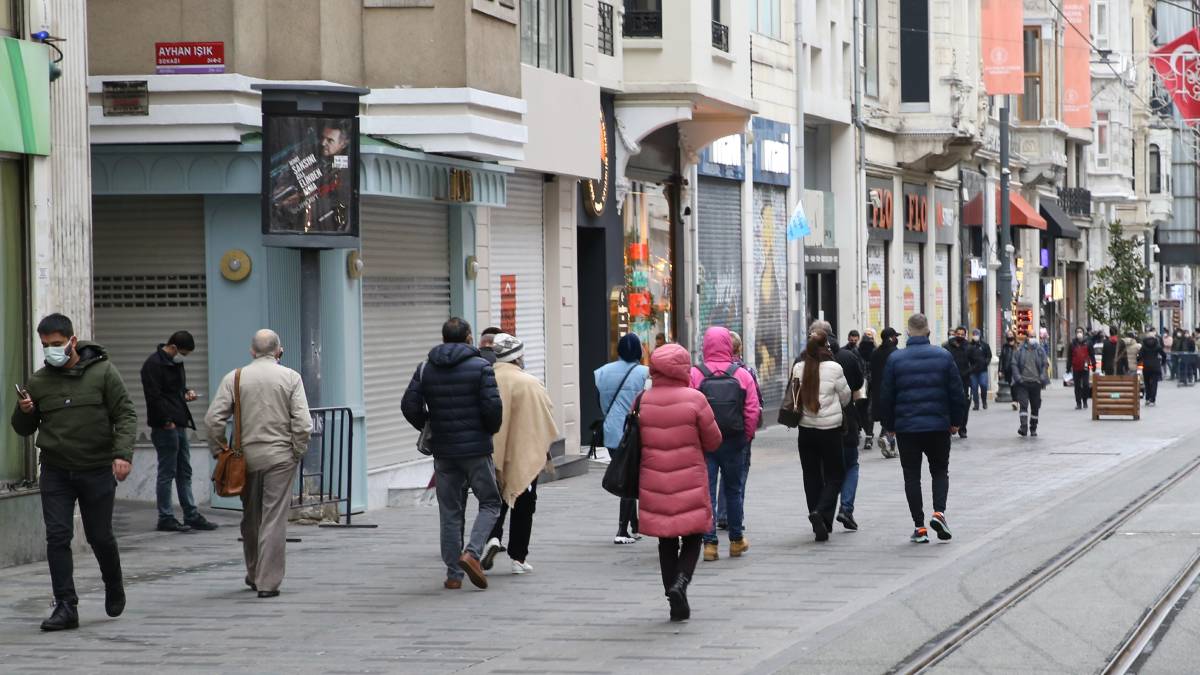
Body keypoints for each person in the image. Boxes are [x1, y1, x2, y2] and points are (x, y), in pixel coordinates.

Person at [11, 313, 137, 631]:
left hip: (96, 468)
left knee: (99, 536)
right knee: (57, 537)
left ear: (72, 341)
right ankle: (66, 605)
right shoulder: (39, 381)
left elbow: (125, 414)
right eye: (44, 345)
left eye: (56, 343)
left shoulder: (103, 372)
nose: (50, 350)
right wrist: (24, 411)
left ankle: (114, 584)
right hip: (56, 470)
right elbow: (23, 428)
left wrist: (122, 454)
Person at [205, 330, 310, 598]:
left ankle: (253, 572)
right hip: (280, 457)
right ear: (279, 351)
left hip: (245, 458)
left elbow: (213, 419)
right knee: (273, 518)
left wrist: (220, 450)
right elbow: (302, 423)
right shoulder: (291, 377)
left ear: (252, 351)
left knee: (251, 517)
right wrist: (297, 450)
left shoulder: (235, 377)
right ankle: (267, 582)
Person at [402, 318, 504, 590]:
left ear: (444, 338)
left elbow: (409, 405)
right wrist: (488, 431)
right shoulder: (481, 367)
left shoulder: (426, 368)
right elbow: (493, 408)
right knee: (490, 502)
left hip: (444, 450)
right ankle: (472, 553)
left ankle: (453, 576)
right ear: (469, 337)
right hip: (476, 449)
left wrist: (428, 425)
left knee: (450, 511)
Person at [637, 343, 723, 622]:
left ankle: (673, 598)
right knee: (694, 535)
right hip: (690, 479)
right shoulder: (695, 399)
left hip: (654, 479)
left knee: (666, 539)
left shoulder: (642, 400)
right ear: (684, 368)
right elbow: (714, 440)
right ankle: (681, 582)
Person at [878, 313, 965, 544]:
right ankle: (939, 513)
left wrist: (889, 426)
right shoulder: (944, 356)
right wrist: (956, 422)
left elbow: (886, 396)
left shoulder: (896, 359)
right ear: (928, 331)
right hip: (938, 426)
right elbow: (957, 393)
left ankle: (920, 527)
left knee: (911, 476)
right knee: (939, 471)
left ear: (908, 333)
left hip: (907, 428)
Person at [479, 334, 558, 575]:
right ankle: (518, 557)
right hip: (524, 450)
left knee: (494, 500)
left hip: (490, 450)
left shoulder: (486, 378)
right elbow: (544, 415)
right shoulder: (530, 383)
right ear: (518, 357)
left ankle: (492, 537)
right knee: (524, 505)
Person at [690, 326, 759, 561]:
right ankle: (736, 540)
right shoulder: (741, 374)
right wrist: (745, 437)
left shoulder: (696, 374)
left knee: (707, 492)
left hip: (705, 443)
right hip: (734, 441)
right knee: (734, 491)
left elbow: (689, 409)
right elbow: (752, 410)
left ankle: (710, 544)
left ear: (706, 345)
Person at [140, 330, 217, 533]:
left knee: (184, 470)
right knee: (167, 472)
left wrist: (186, 392)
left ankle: (191, 514)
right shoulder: (153, 364)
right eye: (182, 352)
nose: (182, 357)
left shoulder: (172, 363)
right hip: (165, 426)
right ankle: (166, 517)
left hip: (178, 423)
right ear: (173, 347)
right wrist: (166, 421)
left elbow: (174, 391)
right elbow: (154, 396)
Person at [792, 329, 851, 542]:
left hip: (806, 430)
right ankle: (821, 511)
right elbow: (845, 396)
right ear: (827, 345)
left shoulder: (799, 367)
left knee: (811, 475)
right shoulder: (834, 368)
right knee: (836, 475)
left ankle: (818, 518)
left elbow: (794, 396)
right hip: (830, 431)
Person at [593, 333, 650, 543]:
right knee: (629, 478)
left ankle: (635, 525)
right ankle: (622, 531)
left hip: (611, 430)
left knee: (627, 474)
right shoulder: (645, 373)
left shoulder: (602, 372)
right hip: (634, 432)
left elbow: (599, 402)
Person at [716, 331, 762, 531]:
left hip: (714, 429)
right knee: (738, 473)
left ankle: (721, 514)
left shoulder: (707, 370)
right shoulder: (746, 371)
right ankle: (734, 515)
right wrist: (748, 434)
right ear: (739, 348)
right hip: (738, 431)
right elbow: (756, 404)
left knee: (718, 472)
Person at [1010, 329, 1050, 437]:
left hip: (1035, 383)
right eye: (1031, 336)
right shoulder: (1020, 350)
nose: (1033, 338)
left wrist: (1041, 378)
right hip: (1023, 383)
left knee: (1035, 406)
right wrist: (1018, 378)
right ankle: (1023, 427)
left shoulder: (1040, 350)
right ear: (1026, 337)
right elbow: (1014, 364)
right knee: (1023, 405)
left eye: (1034, 336)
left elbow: (1045, 364)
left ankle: (1033, 427)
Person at [868, 327, 900, 458]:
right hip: (892, 390)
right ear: (891, 338)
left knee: (885, 418)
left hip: (877, 391)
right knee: (893, 418)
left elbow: (871, 370)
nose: (897, 339)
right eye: (895, 336)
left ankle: (890, 446)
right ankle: (887, 439)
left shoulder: (875, 353)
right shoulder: (896, 353)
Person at [944, 327, 972, 439]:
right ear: (955, 334)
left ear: (965, 335)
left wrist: (968, 371)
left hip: (965, 380)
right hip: (950, 379)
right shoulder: (947, 346)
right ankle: (950, 426)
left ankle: (962, 428)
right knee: (949, 403)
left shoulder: (969, 347)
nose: (960, 336)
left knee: (965, 404)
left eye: (962, 334)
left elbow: (976, 362)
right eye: (958, 334)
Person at [967, 329, 992, 411]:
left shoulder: (985, 345)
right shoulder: (969, 346)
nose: (975, 336)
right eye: (974, 334)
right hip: (973, 370)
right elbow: (966, 357)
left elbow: (989, 355)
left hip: (983, 369)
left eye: (977, 334)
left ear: (980, 335)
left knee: (983, 385)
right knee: (974, 388)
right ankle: (976, 404)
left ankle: (984, 401)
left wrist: (986, 362)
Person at [1069, 328, 1094, 410]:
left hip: (1086, 367)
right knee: (1077, 386)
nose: (1079, 333)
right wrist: (1068, 368)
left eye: (1080, 332)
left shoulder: (1088, 343)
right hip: (1076, 368)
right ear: (1075, 333)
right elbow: (1070, 357)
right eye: (1077, 332)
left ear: (1083, 333)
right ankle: (1078, 403)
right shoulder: (1072, 344)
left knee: (1086, 384)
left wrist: (1093, 366)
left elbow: (1092, 355)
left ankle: (1085, 401)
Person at [1140, 330, 1164, 406]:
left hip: (1146, 366)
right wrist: (1162, 362)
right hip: (1155, 366)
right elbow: (1164, 355)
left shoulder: (1144, 346)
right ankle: (1152, 400)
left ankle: (1147, 398)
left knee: (1147, 383)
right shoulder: (1157, 345)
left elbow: (1140, 356)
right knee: (1154, 383)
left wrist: (1140, 361)